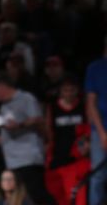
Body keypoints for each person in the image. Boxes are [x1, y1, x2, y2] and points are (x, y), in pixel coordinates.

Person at [0, 74, 55, 204]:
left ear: (2, 86)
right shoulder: (4, 107)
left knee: (36, 195)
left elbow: (39, 120)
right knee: (23, 198)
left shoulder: (26, 99)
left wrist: (19, 125)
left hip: (28, 158)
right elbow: (6, 138)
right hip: (13, 162)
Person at [45, 76, 89, 205]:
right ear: (60, 91)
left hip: (77, 159)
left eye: (72, 90)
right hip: (57, 157)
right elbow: (48, 131)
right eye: (65, 90)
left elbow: (87, 131)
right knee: (58, 196)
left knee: (78, 196)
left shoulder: (83, 106)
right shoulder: (53, 108)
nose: (69, 93)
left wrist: (84, 145)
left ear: (77, 90)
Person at [85, 56, 107, 205]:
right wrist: (102, 134)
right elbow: (91, 103)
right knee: (98, 176)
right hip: (100, 130)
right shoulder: (95, 68)